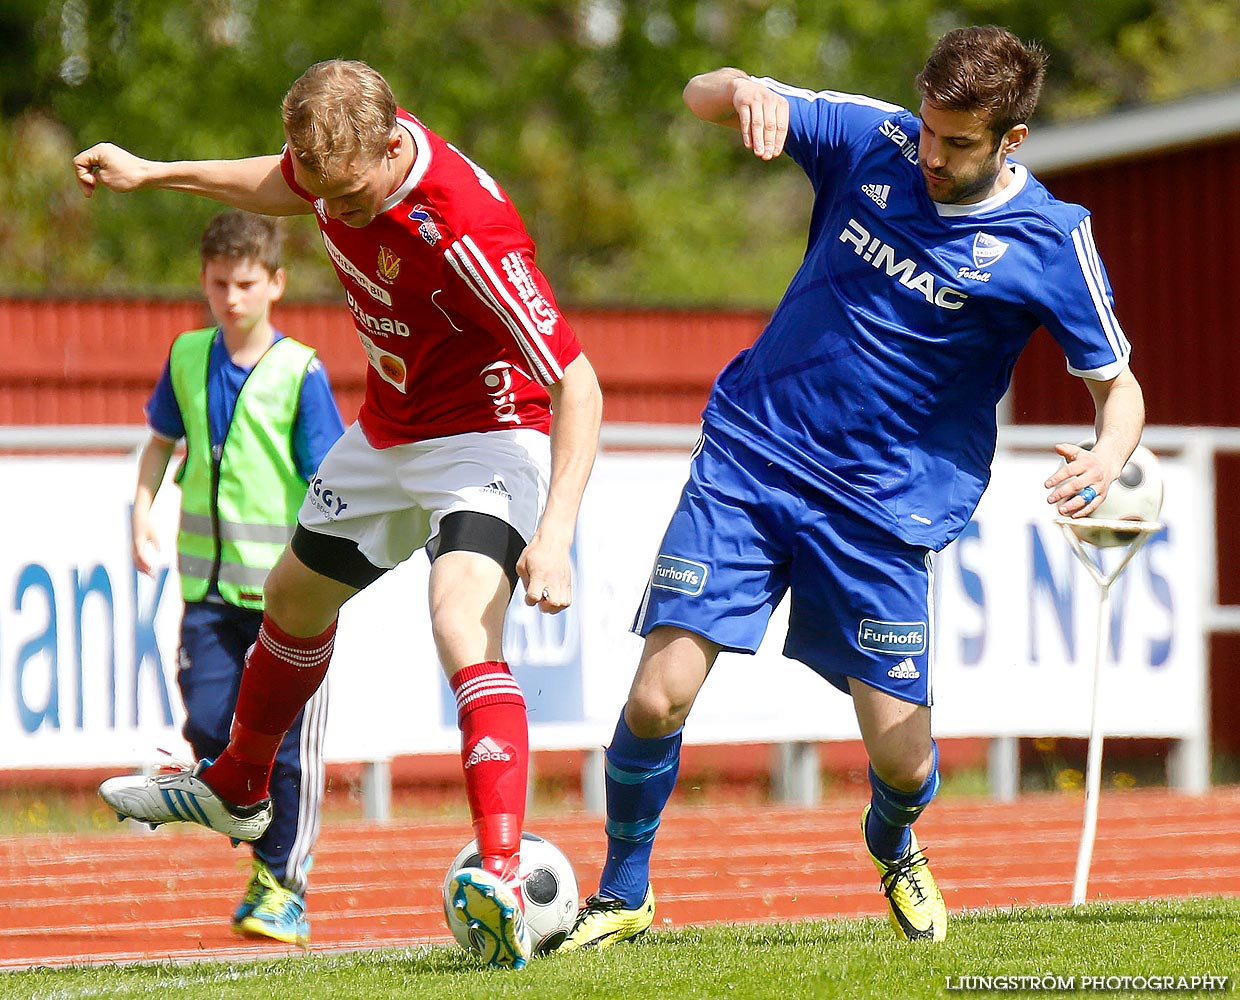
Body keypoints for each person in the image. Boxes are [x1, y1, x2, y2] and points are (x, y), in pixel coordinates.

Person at [560, 25, 1145, 951]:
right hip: (753, 457)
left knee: (903, 760)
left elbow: (1119, 388)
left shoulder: (1051, 240)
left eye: (959, 143)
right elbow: (698, 95)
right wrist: (742, 84)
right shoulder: (873, 138)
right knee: (656, 697)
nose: (933, 157)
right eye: (929, 130)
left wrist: (1109, 456)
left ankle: (895, 838)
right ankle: (624, 888)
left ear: (1012, 141)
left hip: (881, 511)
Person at [75, 59, 602, 970]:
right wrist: (153, 172)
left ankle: (506, 873)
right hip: (390, 431)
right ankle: (239, 785)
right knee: (292, 601)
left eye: (353, 198)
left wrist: (554, 533)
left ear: (394, 146)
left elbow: (579, 382)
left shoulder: (467, 227)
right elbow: (271, 182)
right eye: (327, 197)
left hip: (487, 436)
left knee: (457, 624)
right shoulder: (330, 169)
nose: (341, 216)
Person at [130, 210, 345, 944]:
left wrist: (331, 571)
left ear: (276, 284)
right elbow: (161, 444)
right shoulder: (188, 356)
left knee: (284, 744)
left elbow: (331, 478)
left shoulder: (299, 372)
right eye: (219, 283)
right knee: (211, 728)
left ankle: (285, 883)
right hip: (207, 594)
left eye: (246, 283)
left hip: (288, 602)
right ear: (204, 281)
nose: (232, 297)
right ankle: (262, 847)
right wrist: (141, 510)